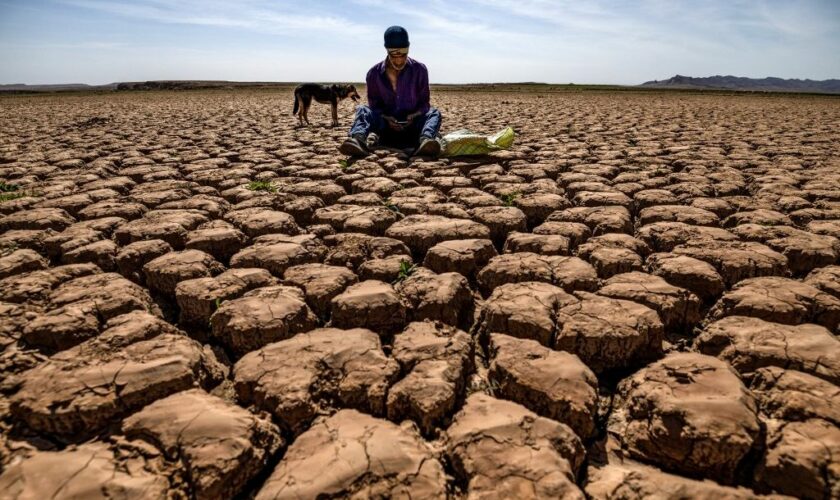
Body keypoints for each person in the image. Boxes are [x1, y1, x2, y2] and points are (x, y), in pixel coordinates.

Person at [339, 26, 442, 157]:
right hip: (385, 128)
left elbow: (424, 104)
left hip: (412, 127)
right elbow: (374, 106)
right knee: (363, 110)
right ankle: (358, 140)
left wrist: (414, 115)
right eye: (394, 55)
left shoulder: (420, 70)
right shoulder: (373, 74)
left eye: (403, 55)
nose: (399, 61)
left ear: (408, 49)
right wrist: (387, 118)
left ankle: (426, 141)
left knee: (434, 113)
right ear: (387, 50)